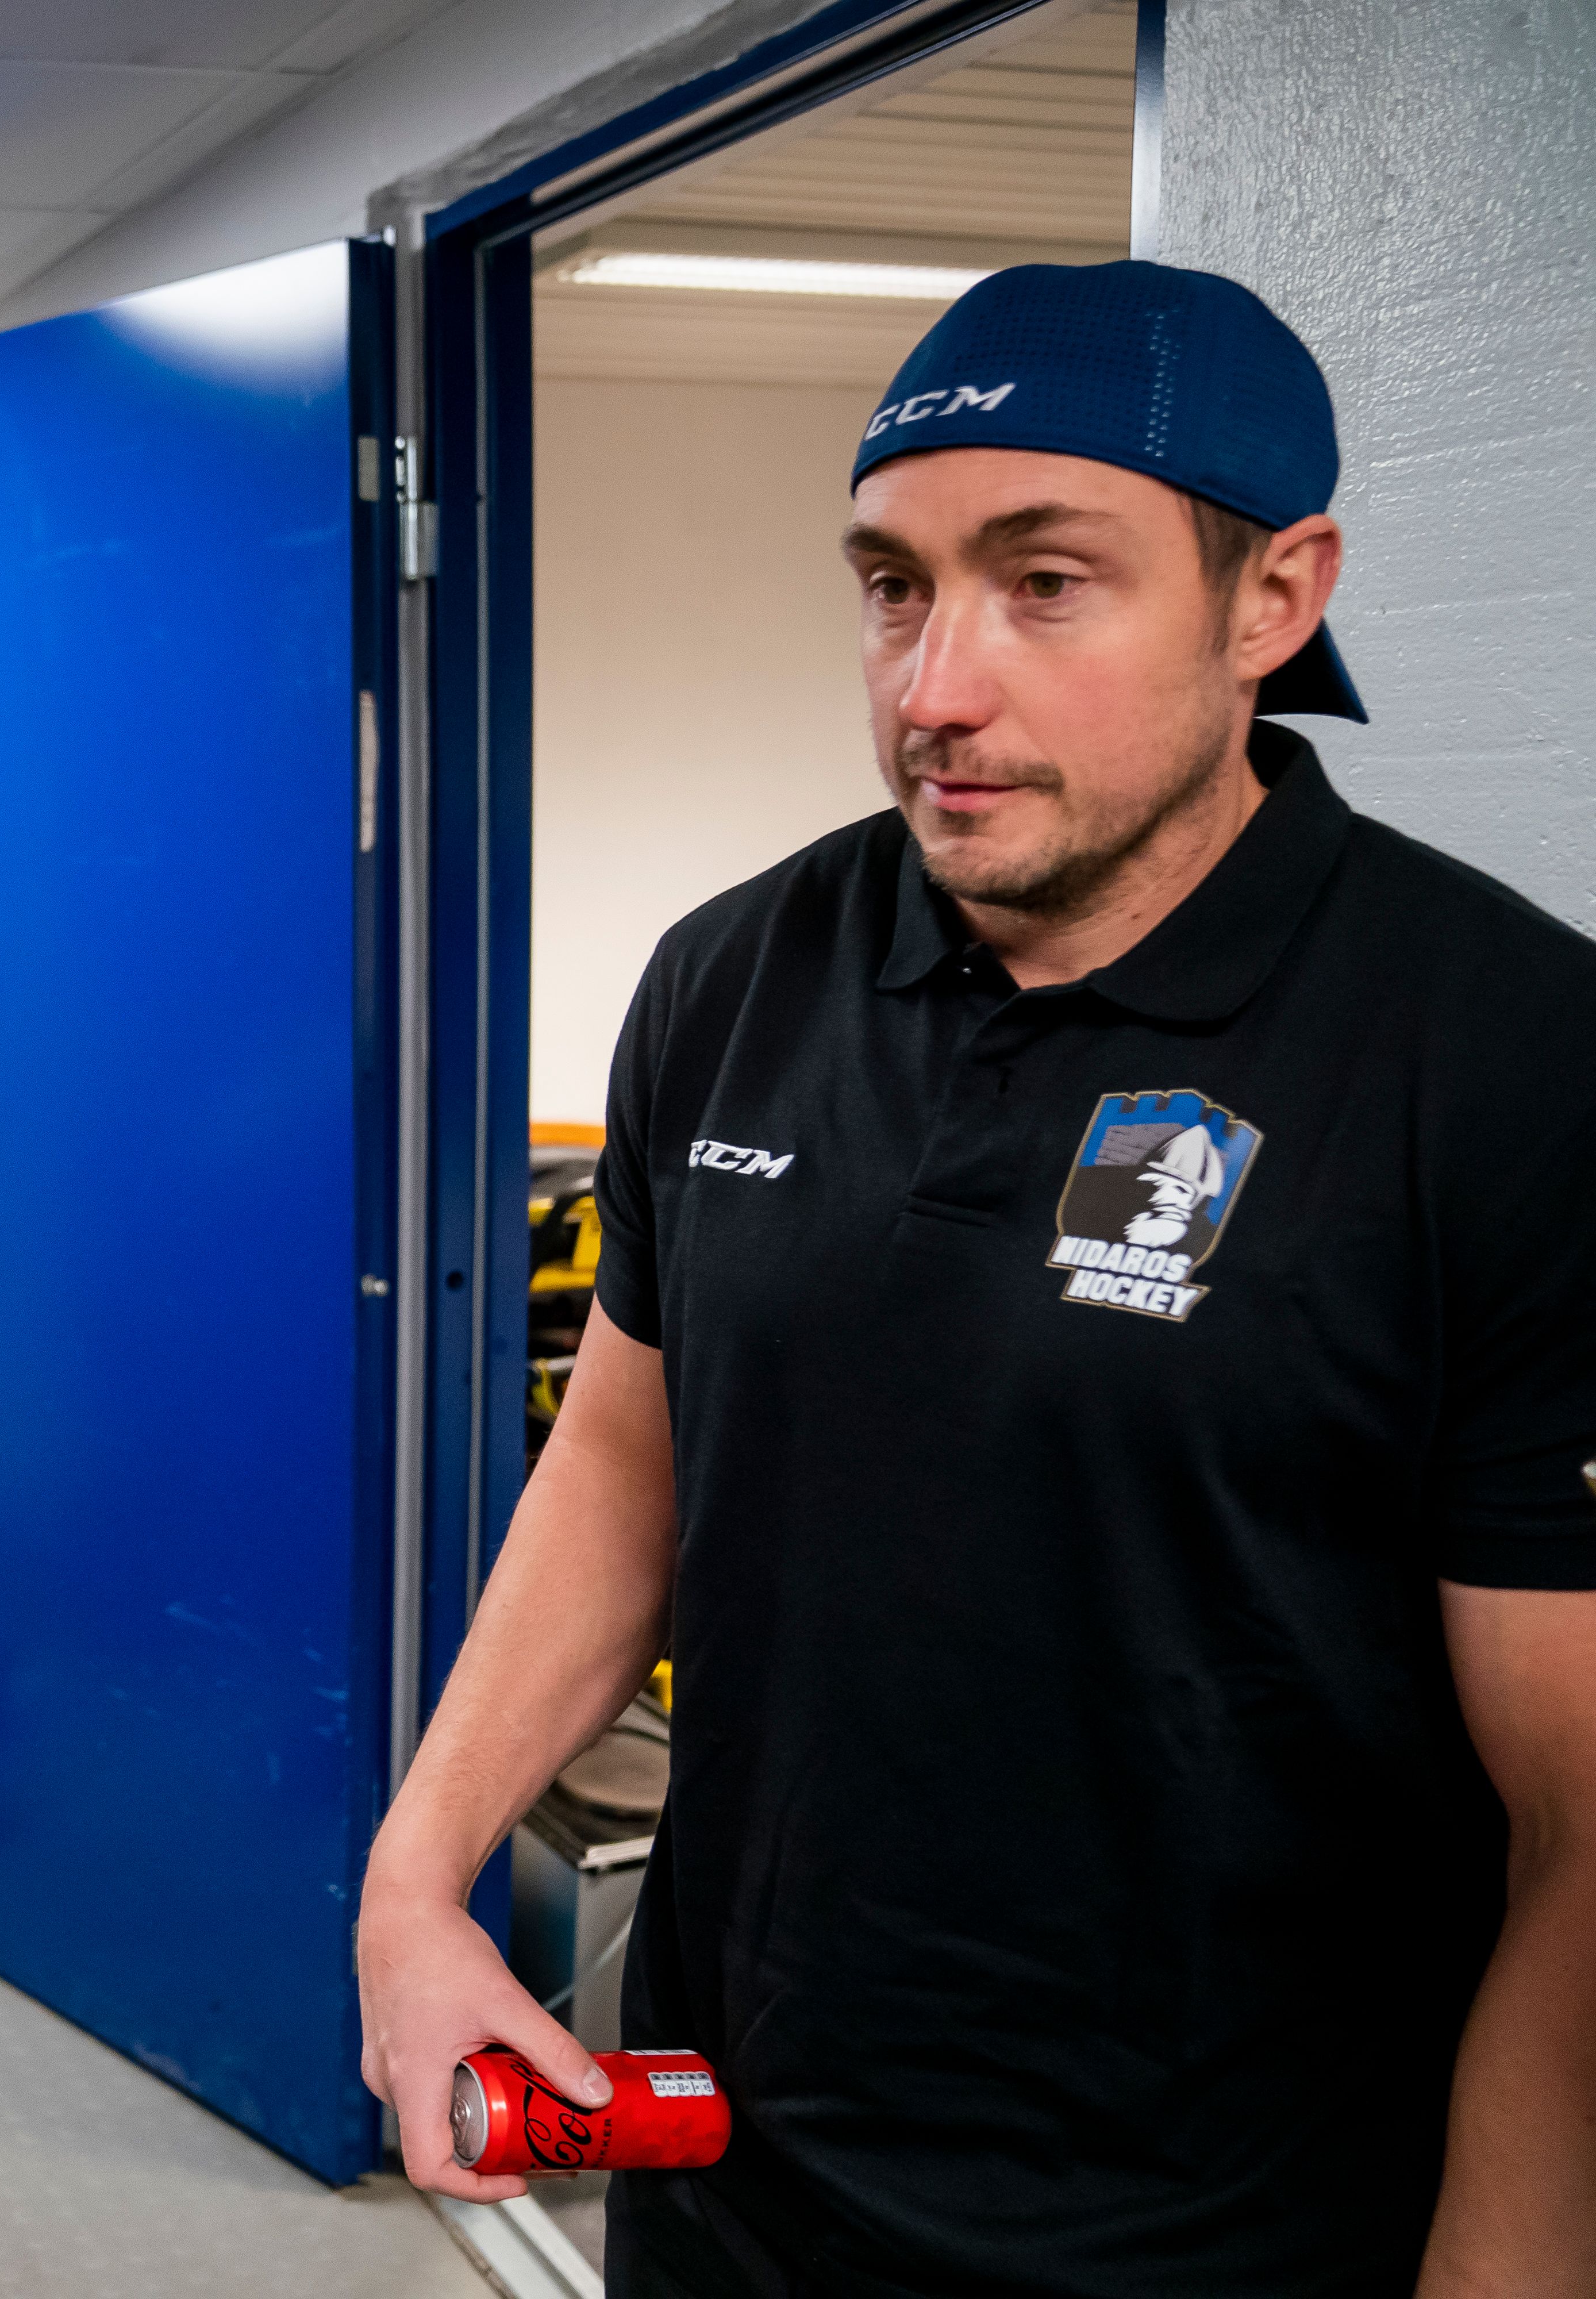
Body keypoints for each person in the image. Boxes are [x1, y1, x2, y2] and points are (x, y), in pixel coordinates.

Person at [356, 262, 1596, 2292]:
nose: (933, 687)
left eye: (1043, 584)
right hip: (733, 2180)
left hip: (1228, 2239)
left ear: (1274, 599)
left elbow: (1580, 1829)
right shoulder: (729, 983)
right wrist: (418, 1880)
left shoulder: (1509, 1059)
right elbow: (624, 1473)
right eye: (891, 586)